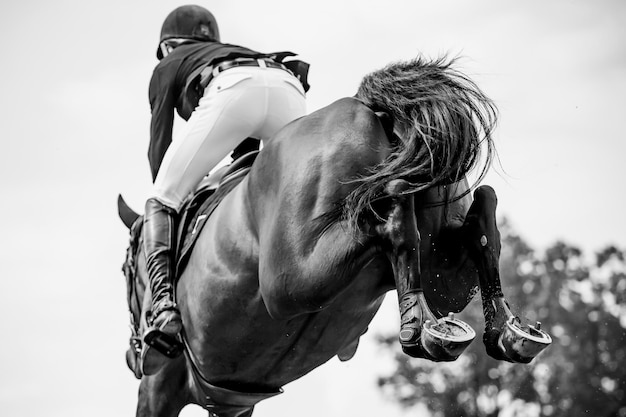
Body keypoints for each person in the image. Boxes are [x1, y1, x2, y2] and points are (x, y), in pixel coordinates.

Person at [141, 4, 309, 369]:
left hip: (233, 89)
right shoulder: (233, 48)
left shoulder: (169, 62)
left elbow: (160, 141)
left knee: (161, 197)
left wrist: (169, 187)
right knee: (310, 198)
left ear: (169, 45)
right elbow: (247, 154)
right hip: (287, 86)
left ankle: (163, 305)